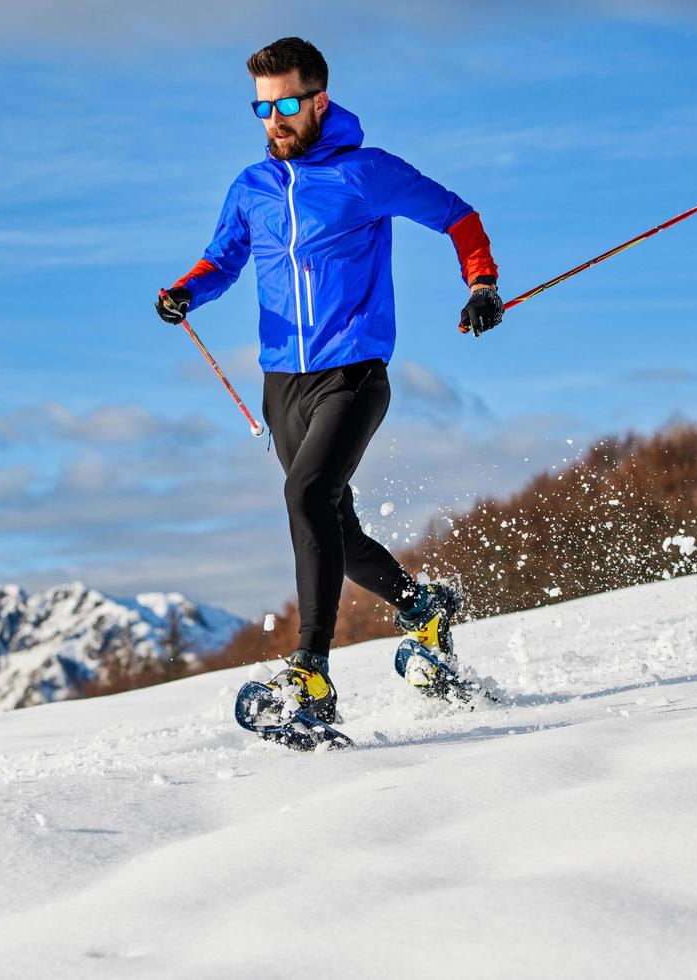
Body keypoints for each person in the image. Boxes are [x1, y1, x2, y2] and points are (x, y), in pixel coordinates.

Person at [155, 36, 503, 722]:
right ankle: (422, 609)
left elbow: (458, 216)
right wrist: (185, 292)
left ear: (318, 100)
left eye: (285, 103)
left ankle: (310, 673)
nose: (273, 119)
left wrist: (483, 282)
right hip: (282, 384)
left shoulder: (366, 173)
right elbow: (223, 257)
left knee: (306, 494)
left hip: (353, 373)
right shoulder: (251, 187)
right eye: (260, 107)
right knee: (332, 528)